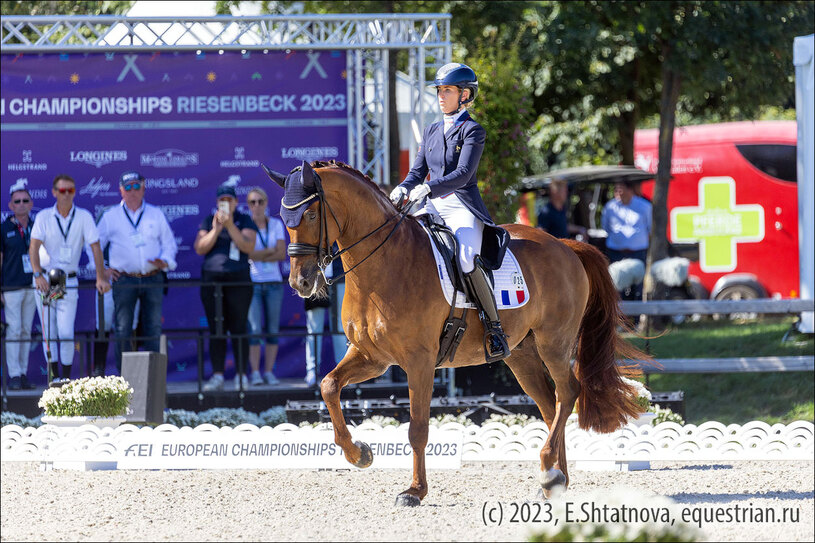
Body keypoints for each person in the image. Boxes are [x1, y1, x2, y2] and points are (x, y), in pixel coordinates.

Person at [389, 61, 509, 362]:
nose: (441, 96)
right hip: (431, 203)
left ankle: (494, 328)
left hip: (461, 205)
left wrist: (430, 188)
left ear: (465, 95)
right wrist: (404, 187)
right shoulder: (431, 130)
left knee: (466, 258)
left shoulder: (473, 131)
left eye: (448, 91)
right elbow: (417, 171)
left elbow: (464, 174)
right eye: (440, 90)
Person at [29, 174, 110, 383]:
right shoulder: (44, 216)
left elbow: (95, 247)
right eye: (62, 191)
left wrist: (101, 277)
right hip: (47, 279)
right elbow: (34, 247)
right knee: (50, 333)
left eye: (70, 191)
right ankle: (53, 380)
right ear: (54, 192)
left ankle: (64, 380)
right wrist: (37, 274)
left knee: (65, 332)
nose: (66, 195)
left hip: (68, 280)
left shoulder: (83, 216)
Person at [96, 171, 177, 373]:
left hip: (152, 278)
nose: (132, 191)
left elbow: (170, 245)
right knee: (122, 330)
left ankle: (154, 380)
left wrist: (165, 261)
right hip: (124, 280)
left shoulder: (155, 214)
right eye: (128, 187)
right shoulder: (110, 216)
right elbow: (94, 246)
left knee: (153, 330)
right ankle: (124, 380)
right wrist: (102, 270)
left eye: (136, 186)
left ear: (143, 187)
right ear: (121, 190)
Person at [194, 182, 257, 391]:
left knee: (239, 327)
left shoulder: (244, 219)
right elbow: (200, 248)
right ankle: (218, 376)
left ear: (236, 202)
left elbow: (248, 246)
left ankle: (241, 376)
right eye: (222, 200)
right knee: (216, 329)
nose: (226, 203)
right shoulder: (208, 220)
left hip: (238, 280)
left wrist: (230, 226)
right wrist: (216, 229)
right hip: (212, 281)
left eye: (229, 199)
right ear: (217, 202)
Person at [246, 187, 286, 386]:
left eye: (260, 201)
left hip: (273, 283)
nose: (257, 206)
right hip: (253, 282)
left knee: (272, 329)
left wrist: (257, 253)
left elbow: (281, 254)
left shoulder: (276, 224)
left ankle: (269, 371)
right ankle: (254, 372)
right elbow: (247, 254)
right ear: (248, 205)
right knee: (253, 329)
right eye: (253, 202)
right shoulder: (246, 225)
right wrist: (268, 251)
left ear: (266, 203)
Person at [1, 179, 37, 390]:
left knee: (25, 330)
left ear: (31, 203)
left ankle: (22, 373)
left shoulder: (37, 226)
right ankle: (13, 375)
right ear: (11, 205)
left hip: (33, 286)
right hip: (12, 288)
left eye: (25, 200)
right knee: (14, 330)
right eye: (17, 201)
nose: (22, 204)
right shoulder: (4, 228)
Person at [601, 179, 653, 299]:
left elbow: (650, 228)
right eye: (616, 189)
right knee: (616, 286)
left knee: (637, 287)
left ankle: (636, 317)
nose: (619, 192)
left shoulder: (644, 206)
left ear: (630, 190)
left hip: (637, 253)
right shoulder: (610, 207)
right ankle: (620, 317)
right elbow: (606, 227)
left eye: (621, 189)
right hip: (616, 253)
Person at [303, 254, 347, 388]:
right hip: (314, 276)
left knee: (339, 325)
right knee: (314, 327)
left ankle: (343, 371)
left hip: (339, 274)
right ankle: (312, 372)